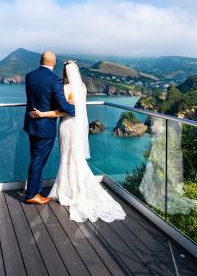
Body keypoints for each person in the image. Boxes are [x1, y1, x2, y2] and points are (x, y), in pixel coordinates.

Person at [30, 60, 126, 222]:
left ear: (65, 73)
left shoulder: (65, 88)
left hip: (67, 126)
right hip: (77, 126)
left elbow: (63, 112)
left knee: (66, 157)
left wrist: (42, 114)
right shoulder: (82, 87)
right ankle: (74, 189)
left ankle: (68, 191)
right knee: (75, 157)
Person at [24, 51, 75, 205]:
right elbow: (63, 105)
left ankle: (34, 190)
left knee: (35, 158)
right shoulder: (54, 80)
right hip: (45, 128)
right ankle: (32, 194)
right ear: (53, 63)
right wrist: (77, 110)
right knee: (38, 160)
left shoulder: (29, 76)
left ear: (41, 61)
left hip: (31, 124)